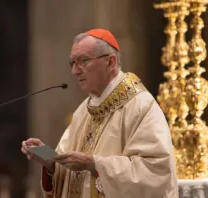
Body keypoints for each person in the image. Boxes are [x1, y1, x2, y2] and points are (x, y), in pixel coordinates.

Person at [21, 28, 178, 198]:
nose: (75, 71)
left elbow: (155, 174)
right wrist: (50, 161)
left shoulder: (140, 106)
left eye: (83, 61)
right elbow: (68, 171)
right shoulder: (84, 110)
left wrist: (94, 164)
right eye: (72, 63)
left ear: (110, 62)